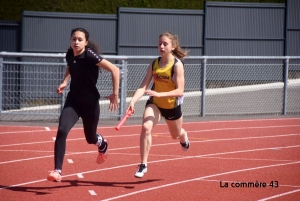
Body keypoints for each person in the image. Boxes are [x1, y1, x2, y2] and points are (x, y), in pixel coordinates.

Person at [47, 28, 119, 182]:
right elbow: (70, 67)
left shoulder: (90, 55)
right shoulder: (70, 54)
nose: (76, 42)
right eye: (74, 39)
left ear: (86, 42)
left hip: (90, 103)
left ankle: (102, 144)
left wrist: (115, 94)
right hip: (73, 101)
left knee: (90, 138)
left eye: (80, 39)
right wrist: (65, 82)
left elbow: (115, 69)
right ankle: (58, 170)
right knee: (61, 130)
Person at [127, 31, 190, 178]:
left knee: (175, 135)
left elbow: (180, 91)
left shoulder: (177, 65)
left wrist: (160, 94)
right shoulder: (154, 64)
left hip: (171, 105)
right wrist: (133, 100)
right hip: (155, 103)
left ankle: (184, 136)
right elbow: (143, 86)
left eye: (165, 44)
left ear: (173, 46)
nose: (161, 46)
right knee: (146, 127)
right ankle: (143, 165)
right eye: (159, 43)